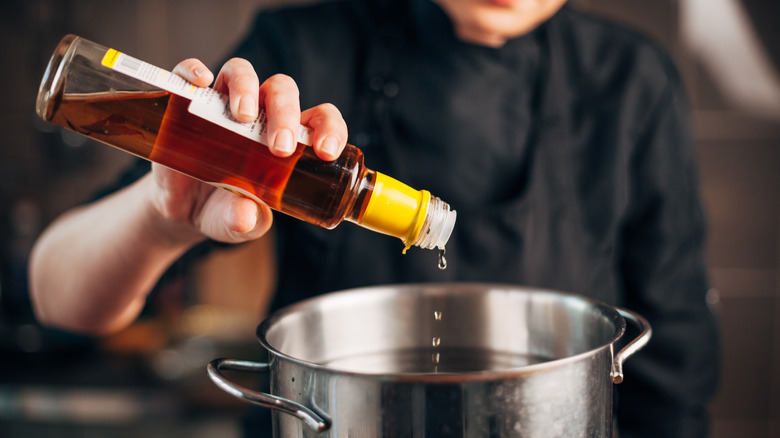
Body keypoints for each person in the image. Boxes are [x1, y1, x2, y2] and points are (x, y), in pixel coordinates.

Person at [29, 0, 720, 436]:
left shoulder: (632, 83)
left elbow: (675, 372)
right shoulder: (303, 46)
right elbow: (56, 297)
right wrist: (161, 216)